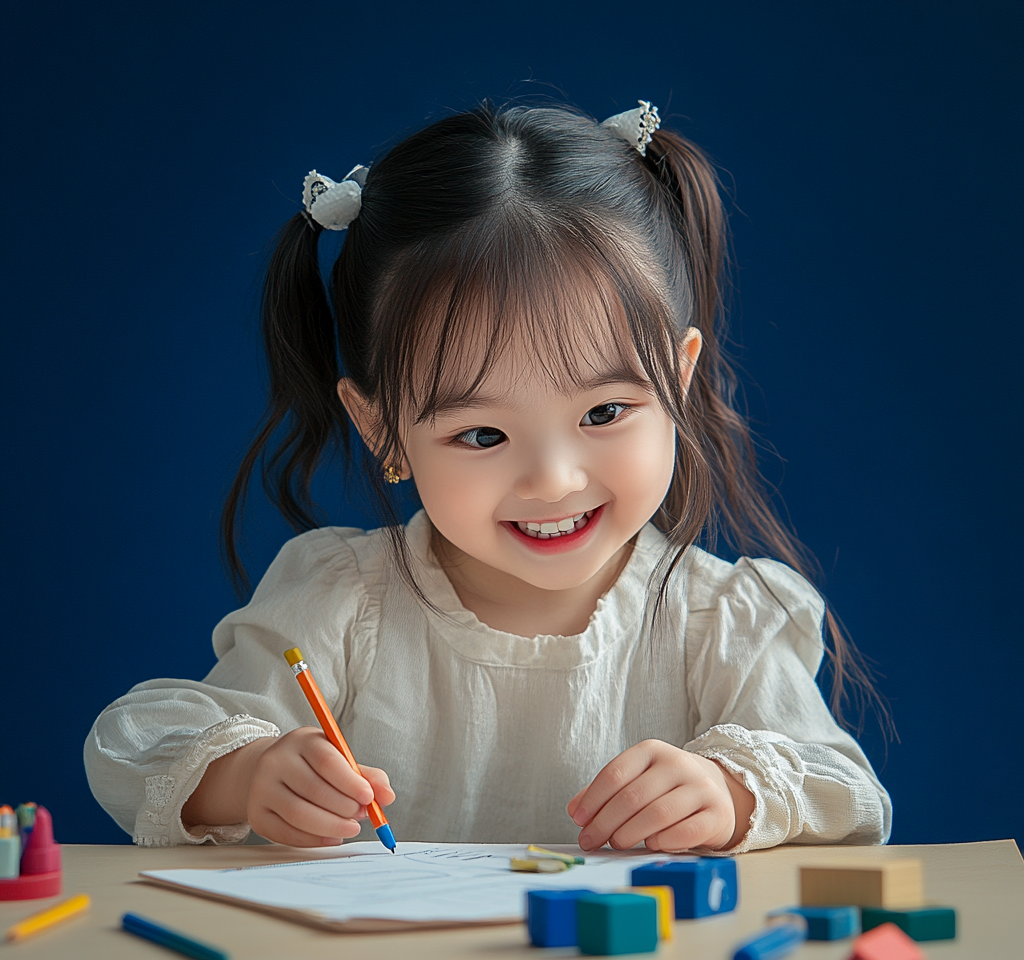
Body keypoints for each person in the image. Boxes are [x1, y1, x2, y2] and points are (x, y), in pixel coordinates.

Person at [85, 100, 891, 853]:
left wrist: (730, 792)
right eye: (481, 433)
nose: (553, 478)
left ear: (677, 381)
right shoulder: (340, 603)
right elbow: (135, 742)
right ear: (382, 430)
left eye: (604, 413)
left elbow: (847, 791)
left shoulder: (720, 621)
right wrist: (250, 774)